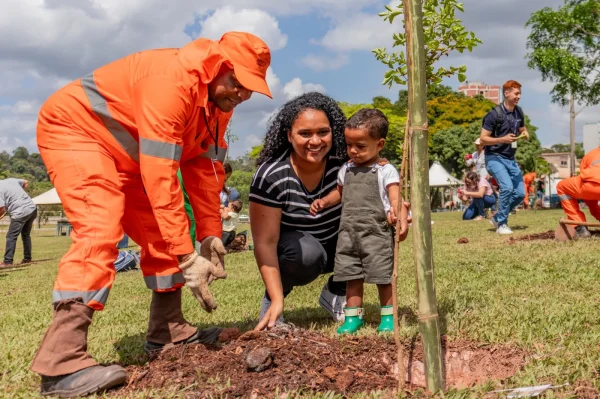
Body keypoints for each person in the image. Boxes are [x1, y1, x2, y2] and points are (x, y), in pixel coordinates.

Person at [32, 31, 272, 397]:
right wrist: (186, 256)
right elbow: (162, 176)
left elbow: (205, 171)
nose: (242, 94)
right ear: (216, 67)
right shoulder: (170, 83)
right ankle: (60, 361)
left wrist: (207, 235)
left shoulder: (218, 105)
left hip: (127, 156)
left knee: (162, 235)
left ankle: (167, 331)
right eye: (237, 82)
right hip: (77, 131)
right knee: (100, 226)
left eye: (249, 88)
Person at [249, 92, 349, 330]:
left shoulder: (345, 164)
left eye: (323, 132)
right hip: (301, 253)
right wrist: (276, 298)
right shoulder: (271, 176)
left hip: (338, 246)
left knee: (377, 229)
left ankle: (337, 290)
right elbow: (265, 243)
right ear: (289, 136)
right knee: (306, 253)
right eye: (305, 134)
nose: (315, 141)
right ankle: (272, 306)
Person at [310, 109, 408, 334]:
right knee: (351, 276)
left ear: (379, 144)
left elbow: (395, 196)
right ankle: (353, 318)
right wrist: (324, 201)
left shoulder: (385, 171)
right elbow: (340, 193)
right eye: (349, 145)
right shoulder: (346, 169)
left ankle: (388, 317)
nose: (353, 151)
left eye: (361, 146)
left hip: (377, 234)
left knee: (383, 277)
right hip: (349, 235)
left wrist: (396, 213)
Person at [479, 80, 529, 235]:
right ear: (506, 93)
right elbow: (483, 139)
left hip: (510, 159)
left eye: (520, 93)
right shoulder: (494, 115)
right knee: (507, 187)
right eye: (516, 93)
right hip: (494, 157)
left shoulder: (518, 111)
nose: (518, 96)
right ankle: (502, 224)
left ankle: (498, 217)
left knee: (520, 193)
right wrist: (503, 139)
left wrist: (525, 133)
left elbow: (522, 128)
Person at [557, 147, 600, 238]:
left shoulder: (591, 154)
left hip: (590, 186)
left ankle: (580, 227)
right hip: (592, 186)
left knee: (562, 187)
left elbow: (584, 177)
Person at [0, 178, 38, 267]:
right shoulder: (11, 180)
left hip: (20, 213)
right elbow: (26, 182)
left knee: (11, 236)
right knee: (26, 235)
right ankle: (27, 259)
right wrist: (20, 196)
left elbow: (2, 209)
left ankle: (8, 262)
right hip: (32, 209)